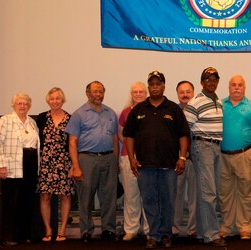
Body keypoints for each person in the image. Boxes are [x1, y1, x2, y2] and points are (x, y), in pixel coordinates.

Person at [123, 70, 190, 249]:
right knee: (150, 200)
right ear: (148, 87)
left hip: (169, 165)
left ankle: (166, 234)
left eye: (158, 84)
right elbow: (128, 136)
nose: (154, 87)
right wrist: (131, 159)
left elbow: (184, 135)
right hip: (145, 166)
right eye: (151, 84)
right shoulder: (138, 109)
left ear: (163, 86)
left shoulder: (173, 109)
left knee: (168, 201)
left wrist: (182, 157)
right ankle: (153, 235)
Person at [65, 81, 119, 242]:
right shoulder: (79, 114)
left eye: (101, 91)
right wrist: (75, 166)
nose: (98, 94)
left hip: (108, 158)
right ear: (88, 93)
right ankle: (86, 231)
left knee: (109, 197)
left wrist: (115, 163)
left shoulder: (110, 113)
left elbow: (115, 138)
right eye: (95, 91)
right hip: (86, 159)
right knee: (85, 197)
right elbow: (72, 142)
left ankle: (108, 230)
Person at [219, 74, 251, 240]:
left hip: (245, 154)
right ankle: (226, 227)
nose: (237, 87)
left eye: (240, 85)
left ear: (244, 88)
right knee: (225, 194)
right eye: (233, 85)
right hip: (222, 156)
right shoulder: (220, 105)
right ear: (229, 87)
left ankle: (245, 228)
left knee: (247, 194)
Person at [184, 67, 226, 247]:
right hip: (202, 146)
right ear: (202, 82)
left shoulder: (218, 100)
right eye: (207, 80)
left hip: (216, 147)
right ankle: (212, 234)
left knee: (207, 192)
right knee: (208, 193)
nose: (211, 82)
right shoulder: (196, 101)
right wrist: (186, 153)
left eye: (214, 79)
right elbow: (185, 130)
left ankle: (202, 232)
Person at [0, 93, 40, 246]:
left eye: (25, 103)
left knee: (26, 202)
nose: (22, 106)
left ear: (29, 106)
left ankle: (24, 234)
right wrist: (0, 165)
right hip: (12, 166)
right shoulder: (6, 120)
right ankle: (9, 236)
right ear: (13, 105)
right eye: (19, 103)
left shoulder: (32, 122)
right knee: (10, 202)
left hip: (31, 164)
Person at [36, 87, 75, 242]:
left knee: (65, 197)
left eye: (58, 98)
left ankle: (62, 229)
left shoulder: (71, 118)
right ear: (48, 100)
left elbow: (74, 143)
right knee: (45, 196)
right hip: (45, 162)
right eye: (52, 99)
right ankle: (48, 229)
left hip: (64, 162)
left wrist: (73, 164)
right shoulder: (41, 118)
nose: (55, 101)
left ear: (62, 100)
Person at [118, 82, 149, 241]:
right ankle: (131, 229)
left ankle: (149, 229)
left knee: (149, 195)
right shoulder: (125, 113)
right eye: (135, 92)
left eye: (141, 92)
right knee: (131, 195)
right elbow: (122, 136)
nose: (138, 94)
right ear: (131, 94)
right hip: (128, 157)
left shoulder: (152, 111)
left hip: (149, 158)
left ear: (146, 93)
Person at [172, 80, 197, 239]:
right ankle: (174, 228)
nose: (185, 94)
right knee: (176, 195)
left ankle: (193, 229)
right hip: (177, 160)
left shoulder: (199, 109)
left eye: (188, 91)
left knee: (195, 196)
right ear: (177, 94)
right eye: (182, 92)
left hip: (196, 159)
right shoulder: (172, 111)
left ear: (193, 93)